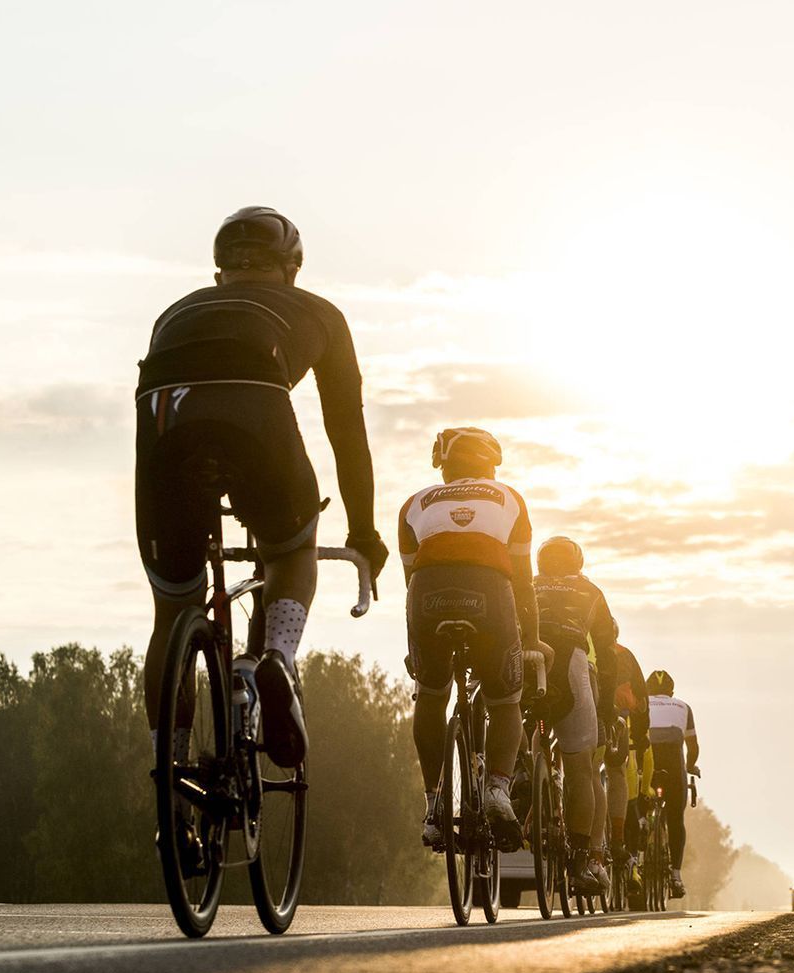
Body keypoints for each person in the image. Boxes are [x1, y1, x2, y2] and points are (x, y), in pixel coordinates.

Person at [136, 207, 387, 795]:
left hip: (165, 419)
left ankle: (170, 779)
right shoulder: (319, 311)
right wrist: (363, 533)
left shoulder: (175, 311)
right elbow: (345, 429)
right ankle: (274, 656)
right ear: (292, 270)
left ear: (219, 273)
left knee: (172, 609)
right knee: (290, 548)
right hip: (258, 416)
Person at [399, 427, 550, 848]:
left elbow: (410, 580)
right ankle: (498, 788)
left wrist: (414, 647)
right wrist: (532, 641)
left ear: (443, 466)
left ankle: (433, 804)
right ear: (490, 465)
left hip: (427, 595)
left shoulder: (413, 502)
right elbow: (523, 582)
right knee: (506, 700)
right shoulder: (509, 497)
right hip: (490, 593)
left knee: (430, 693)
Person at [532, 537, 615, 896]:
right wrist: (607, 710)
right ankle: (582, 862)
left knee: (511, 717)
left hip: (527, 659)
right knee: (580, 766)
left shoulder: (528, 583)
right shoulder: (591, 590)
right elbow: (608, 654)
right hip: (570, 664)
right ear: (577, 563)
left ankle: (515, 784)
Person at [599, 628, 652, 893]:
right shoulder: (625, 655)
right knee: (617, 773)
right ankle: (618, 839)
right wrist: (642, 737)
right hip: (618, 719)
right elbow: (642, 702)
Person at [645, 669, 697, 898]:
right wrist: (690, 766)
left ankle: (634, 863)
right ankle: (676, 875)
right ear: (672, 692)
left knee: (637, 806)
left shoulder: (641, 703)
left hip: (647, 760)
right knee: (676, 818)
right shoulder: (683, 706)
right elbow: (693, 747)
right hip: (674, 765)